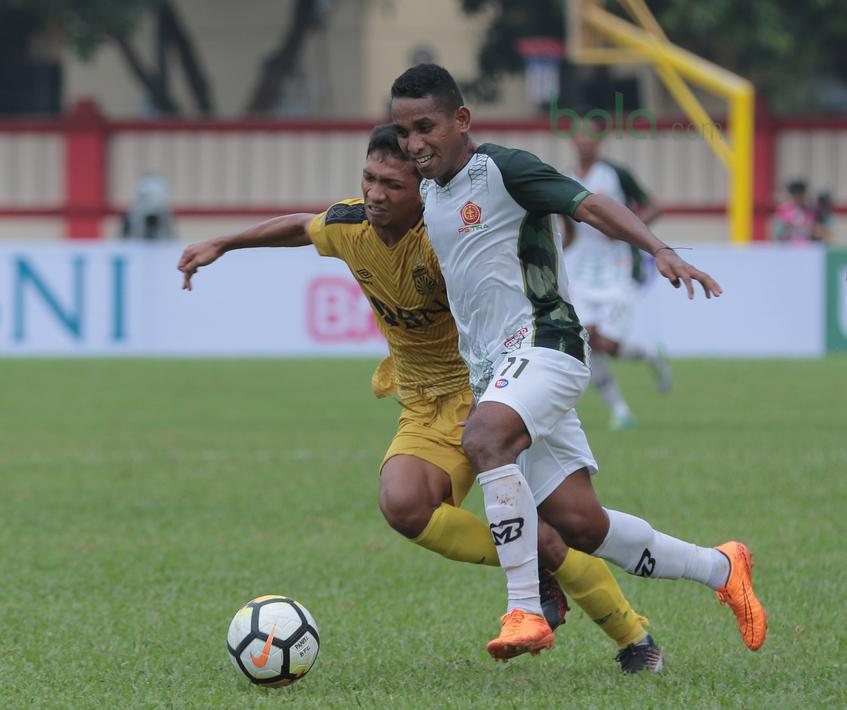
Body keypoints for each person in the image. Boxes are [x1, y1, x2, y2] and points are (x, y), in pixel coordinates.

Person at [179, 124, 665, 673]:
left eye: (391, 183)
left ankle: (633, 636)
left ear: (424, 188)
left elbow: (520, 246)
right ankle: (537, 567)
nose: (375, 193)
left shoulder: (448, 238)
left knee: (558, 529)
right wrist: (223, 243)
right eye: (368, 178)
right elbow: (300, 227)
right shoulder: (351, 225)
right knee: (404, 505)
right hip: (422, 401)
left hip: (486, 391)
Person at [389, 63, 765, 661]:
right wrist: (230, 242)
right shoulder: (428, 190)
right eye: (404, 131)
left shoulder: (505, 169)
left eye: (425, 127)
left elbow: (589, 205)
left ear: (461, 120)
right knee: (582, 524)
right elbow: (358, 216)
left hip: (548, 345)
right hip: (498, 371)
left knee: (484, 437)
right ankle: (721, 568)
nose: (413, 143)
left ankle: (525, 609)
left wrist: (660, 249)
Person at [564, 122, 672, 429]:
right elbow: (569, 228)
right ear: (573, 139)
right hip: (580, 271)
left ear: (600, 139)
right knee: (587, 340)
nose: (585, 139)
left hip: (616, 268)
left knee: (609, 344)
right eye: (579, 133)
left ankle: (650, 354)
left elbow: (654, 206)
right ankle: (620, 411)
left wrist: (627, 228)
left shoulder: (615, 174)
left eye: (591, 133)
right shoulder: (566, 177)